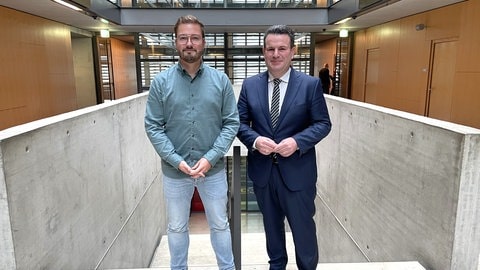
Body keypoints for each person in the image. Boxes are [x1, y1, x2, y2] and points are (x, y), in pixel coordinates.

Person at [144, 14, 239, 270]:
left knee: (220, 224)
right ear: (176, 43)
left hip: (214, 171)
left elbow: (231, 123)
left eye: (194, 38)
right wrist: (176, 161)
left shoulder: (221, 81)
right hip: (175, 173)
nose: (189, 43)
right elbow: (153, 126)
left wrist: (210, 158)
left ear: (204, 42)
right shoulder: (160, 83)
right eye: (183, 38)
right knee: (176, 227)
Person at [236, 25, 331, 270]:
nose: (275, 54)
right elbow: (238, 123)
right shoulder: (250, 85)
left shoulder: (310, 85)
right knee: (272, 232)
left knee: (304, 232)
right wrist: (256, 141)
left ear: (293, 51)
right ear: (263, 51)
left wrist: (297, 142)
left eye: (282, 48)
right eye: (270, 49)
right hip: (263, 174)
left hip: (298, 173)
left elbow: (323, 123)